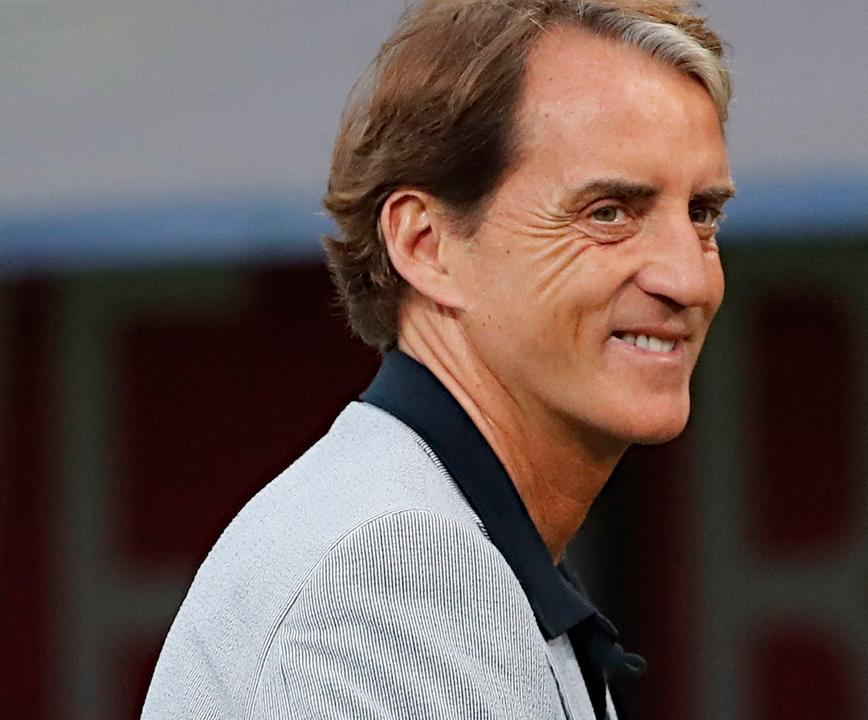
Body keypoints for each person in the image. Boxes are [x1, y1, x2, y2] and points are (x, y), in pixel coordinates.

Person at [140, 0, 733, 717]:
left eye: (702, 214)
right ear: (426, 246)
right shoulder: (392, 571)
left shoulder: (429, 537)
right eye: (608, 212)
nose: (688, 278)